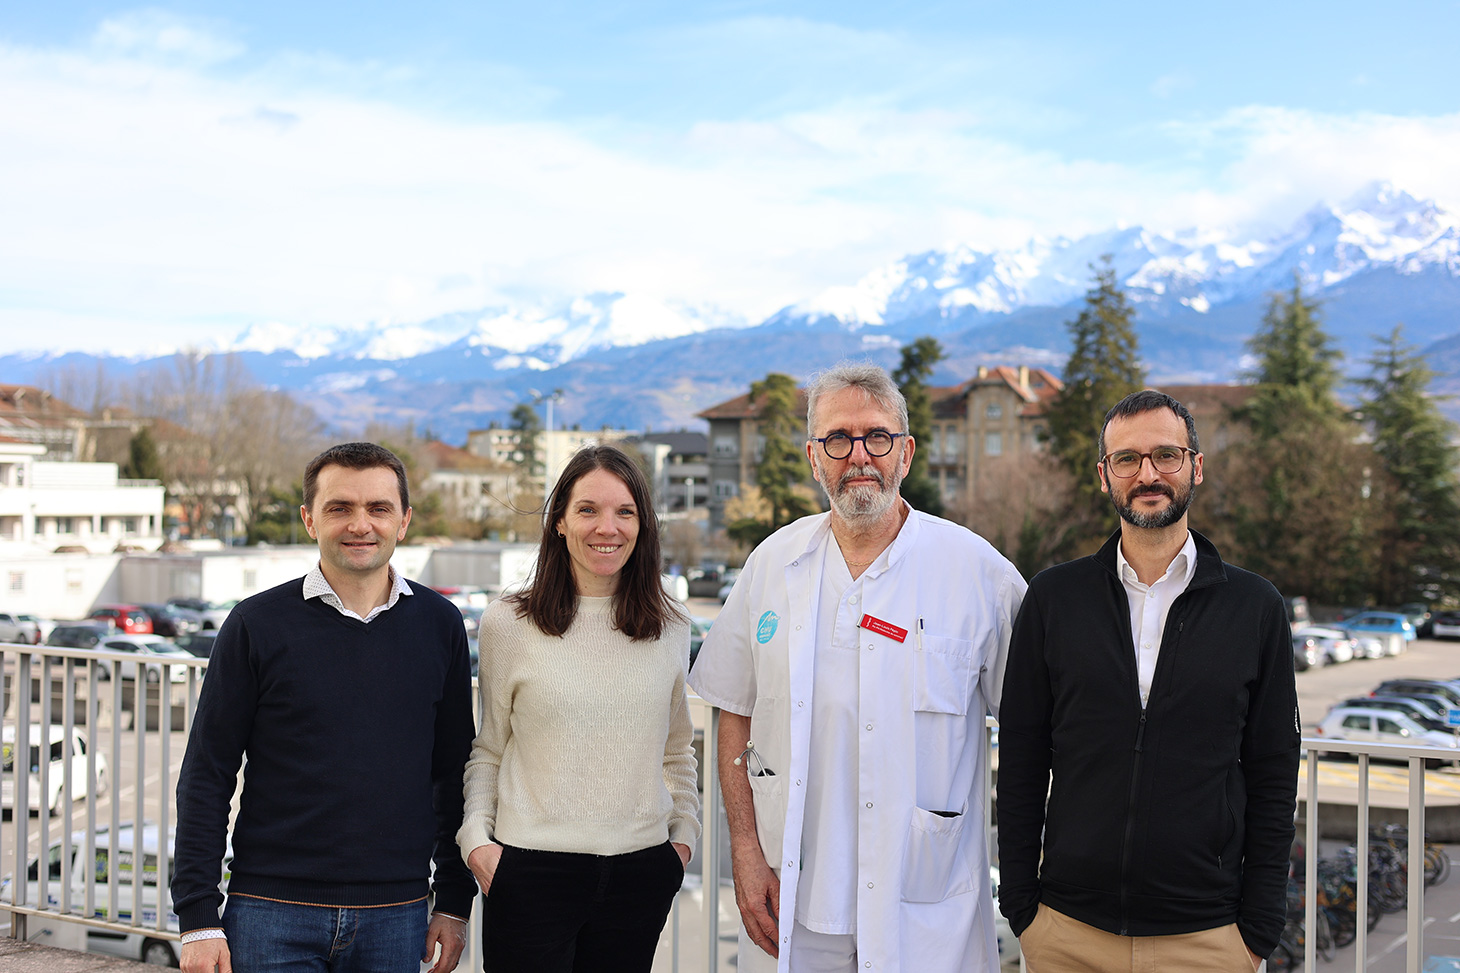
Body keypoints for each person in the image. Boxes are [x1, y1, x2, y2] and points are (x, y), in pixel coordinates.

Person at [690, 361, 1026, 973]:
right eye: (838, 440)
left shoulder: (979, 575)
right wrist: (744, 847)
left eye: (877, 438)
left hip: (925, 906)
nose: (859, 457)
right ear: (814, 456)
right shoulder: (773, 565)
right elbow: (732, 708)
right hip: (795, 903)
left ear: (907, 452)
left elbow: (1037, 727)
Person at [997, 389, 1300, 972]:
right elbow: (1022, 758)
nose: (1148, 474)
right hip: (1066, 933)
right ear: (1104, 476)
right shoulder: (1055, 599)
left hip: (1208, 938)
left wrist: (1258, 927)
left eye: (1166, 455)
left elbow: (1274, 771)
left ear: (1196, 467)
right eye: (1127, 459)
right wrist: (1023, 908)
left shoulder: (1254, 607)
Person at [172, 442, 475, 973]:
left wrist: (453, 900)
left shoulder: (440, 623)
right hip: (271, 912)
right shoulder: (255, 624)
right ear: (310, 520)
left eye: (378, 508)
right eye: (340, 508)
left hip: (397, 914)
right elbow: (207, 772)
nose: (361, 524)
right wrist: (198, 916)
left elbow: (452, 772)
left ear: (403, 521)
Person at [459, 444, 700, 972]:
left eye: (624, 511)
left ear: (643, 525)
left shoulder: (672, 626)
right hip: (529, 873)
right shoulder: (508, 623)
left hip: (641, 873)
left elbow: (677, 751)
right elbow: (490, 748)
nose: (606, 528)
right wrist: (477, 840)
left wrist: (681, 841)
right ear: (560, 523)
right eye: (587, 510)